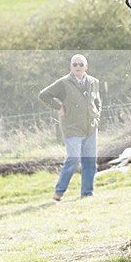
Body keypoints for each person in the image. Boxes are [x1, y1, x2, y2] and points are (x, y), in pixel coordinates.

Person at [39, 54, 102, 201]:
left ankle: (87, 193)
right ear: (71, 67)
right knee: (74, 158)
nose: (78, 67)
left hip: (91, 127)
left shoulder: (94, 82)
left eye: (81, 64)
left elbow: (97, 102)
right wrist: (58, 106)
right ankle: (59, 192)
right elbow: (44, 95)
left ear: (86, 67)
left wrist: (96, 117)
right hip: (72, 127)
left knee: (90, 161)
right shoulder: (63, 83)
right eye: (75, 65)